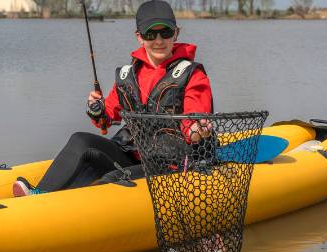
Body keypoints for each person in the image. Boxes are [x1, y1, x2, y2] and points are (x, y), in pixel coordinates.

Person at [12, 0, 214, 197]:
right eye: (150, 34)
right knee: (80, 139)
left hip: (172, 165)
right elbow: (106, 118)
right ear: (139, 37)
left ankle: (67, 209)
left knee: (111, 178)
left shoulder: (193, 75)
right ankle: (40, 195)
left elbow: (192, 124)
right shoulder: (128, 75)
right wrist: (96, 109)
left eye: (166, 32)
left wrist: (197, 131)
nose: (159, 40)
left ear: (176, 33)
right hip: (135, 157)